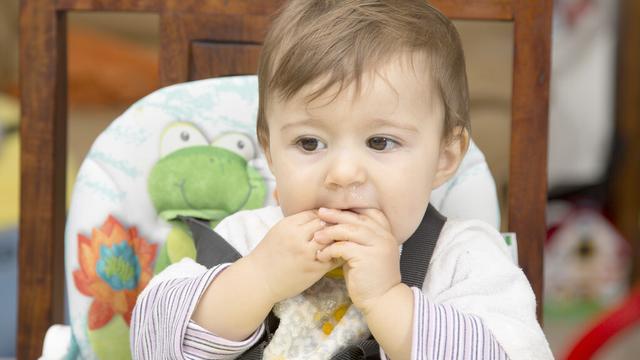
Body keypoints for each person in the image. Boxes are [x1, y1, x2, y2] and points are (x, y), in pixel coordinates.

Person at [131, 1, 552, 359]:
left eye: (381, 142)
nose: (343, 173)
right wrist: (257, 280)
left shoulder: (464, 259)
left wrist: (390, 301)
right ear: (271, 151)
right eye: (310, 143)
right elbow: (151, 341)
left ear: (445, 155)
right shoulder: (248, 240)